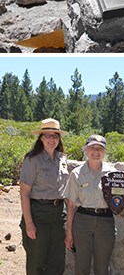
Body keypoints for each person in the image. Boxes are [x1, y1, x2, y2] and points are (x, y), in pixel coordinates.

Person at [65, 133, 124, 275]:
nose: (96, 152)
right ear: (86, 150)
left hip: (105, 221)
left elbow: (117, 200)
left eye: (100, 148)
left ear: (104, 152)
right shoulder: (76, 174)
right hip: (82, 221)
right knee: (82, 264)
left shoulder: (113, 174)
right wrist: (69, 233)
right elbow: (71, 205)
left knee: (102, 266)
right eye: (92, 148)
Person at [19, 118, 69, 275]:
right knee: (36, 261)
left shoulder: (62, 159)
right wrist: (29, 223)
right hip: (38, 214)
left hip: (58, 215)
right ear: (41, 138)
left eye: (55, 135)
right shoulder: (32, 160)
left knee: (57, 261)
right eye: (47, 135)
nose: (51, 139)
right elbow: (24, 193)